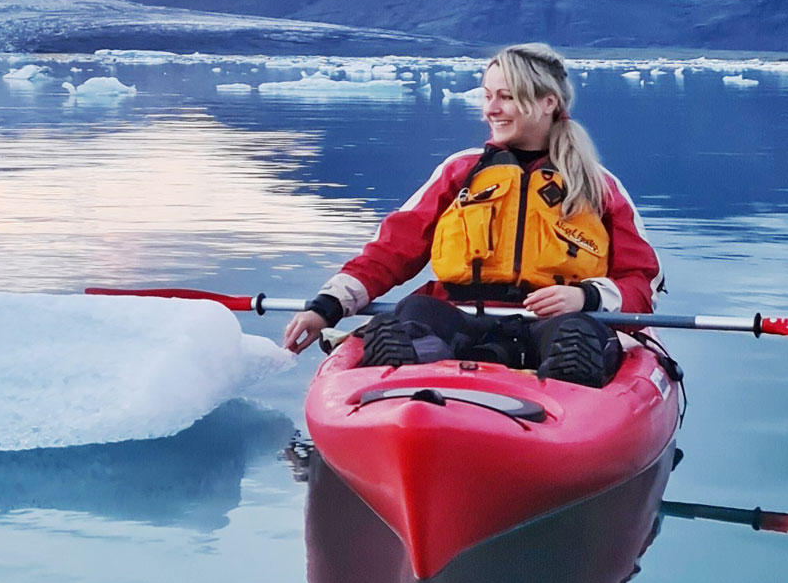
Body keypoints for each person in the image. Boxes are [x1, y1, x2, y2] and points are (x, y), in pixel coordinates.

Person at [280, 43, 662, 384]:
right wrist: (326, 307)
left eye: (507, 97)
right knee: (415, 313)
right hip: (461, 315)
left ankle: (567, 386)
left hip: (553, 323)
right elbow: (390, 251)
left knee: (576, 336)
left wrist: (586, 299)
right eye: (488, 95)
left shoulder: (598, 185)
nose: (490, 109)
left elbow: (641, 281)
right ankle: (408, 367)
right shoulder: (461, 171)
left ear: (548, 102)